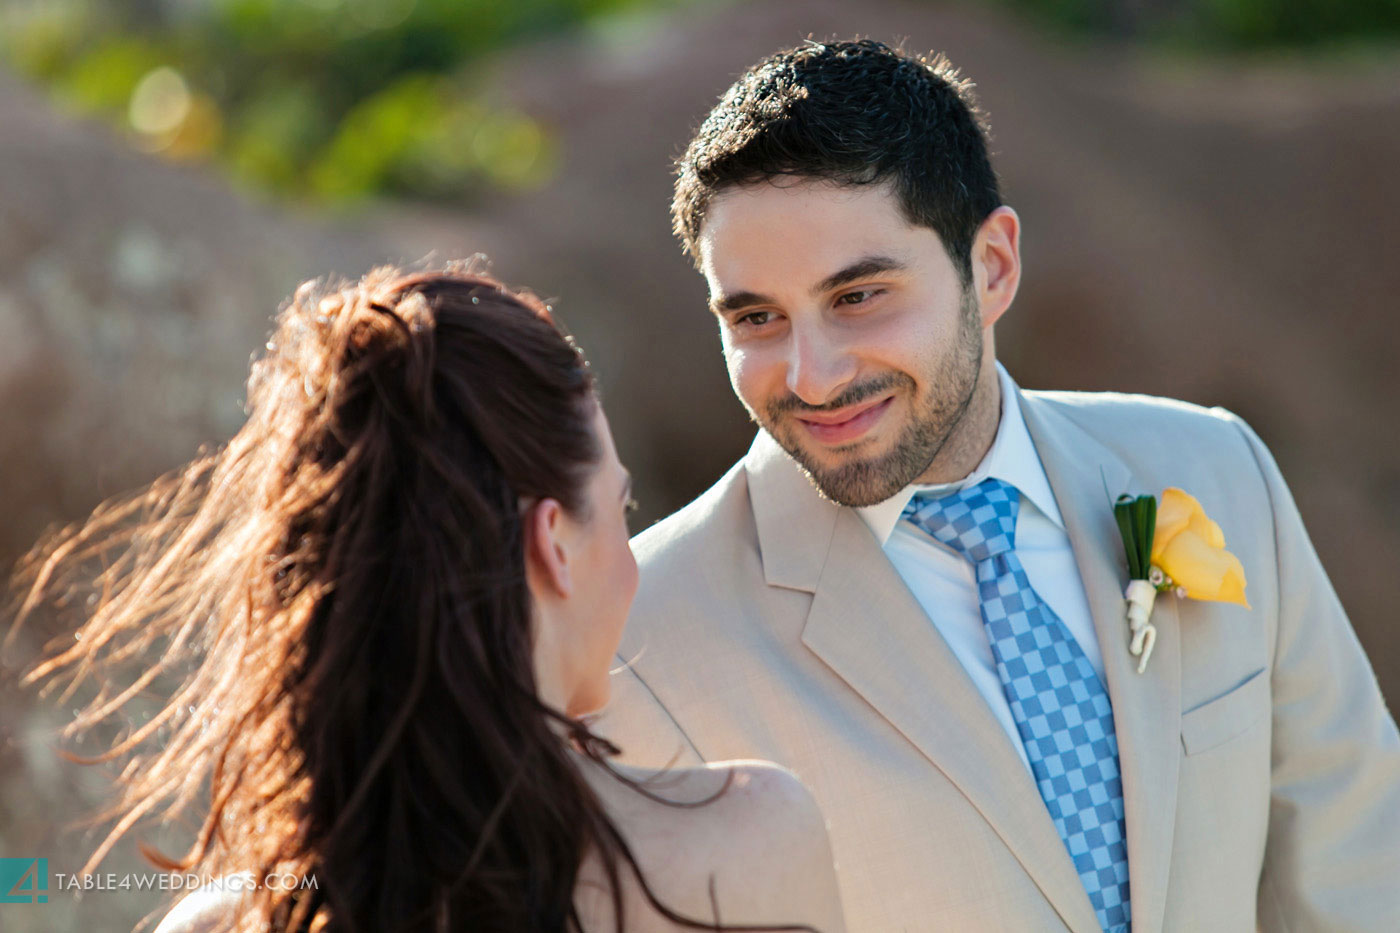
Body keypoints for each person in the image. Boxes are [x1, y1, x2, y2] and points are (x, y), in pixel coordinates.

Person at [594, 38, 1400, 932]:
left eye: (859, 296)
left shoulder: (1217, 472)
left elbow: (1358, 865)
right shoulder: (640, 643)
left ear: (993, 265)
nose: (810, 375)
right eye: (755, 317)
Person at [8, 266, 846, 933]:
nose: (628, 553)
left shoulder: (224, 924)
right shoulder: (743, 847)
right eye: (618, 509)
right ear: (552, 540)